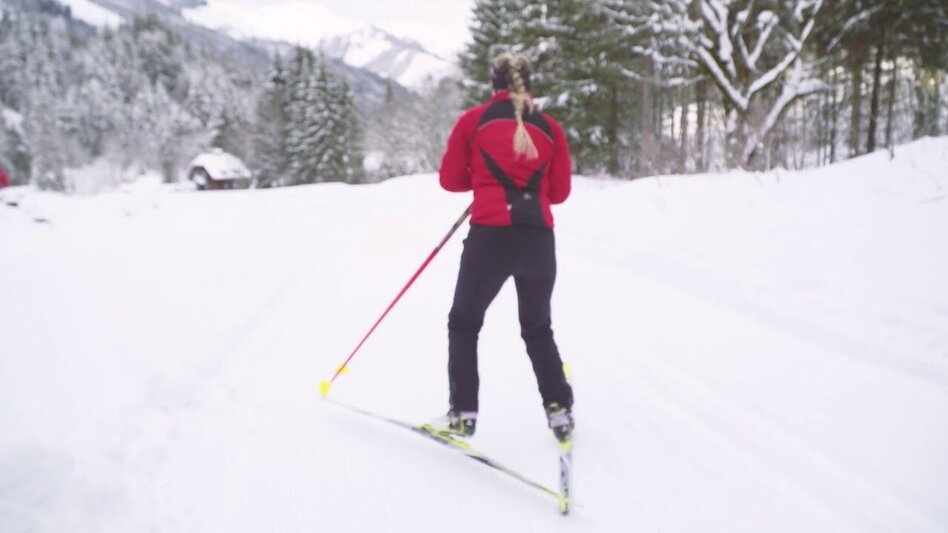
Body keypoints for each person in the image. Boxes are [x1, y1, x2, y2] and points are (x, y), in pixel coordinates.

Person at [436, 52, 574, 443]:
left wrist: (484, 183)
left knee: (464, 323)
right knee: (537, 328)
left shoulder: (473, 121)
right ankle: (559, 409)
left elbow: (449, 179)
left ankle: (463, 414)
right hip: (537, 241)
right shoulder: (550, 128)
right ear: (529, 85)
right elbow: (559, 192)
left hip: (489, 239)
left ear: (493, 84)